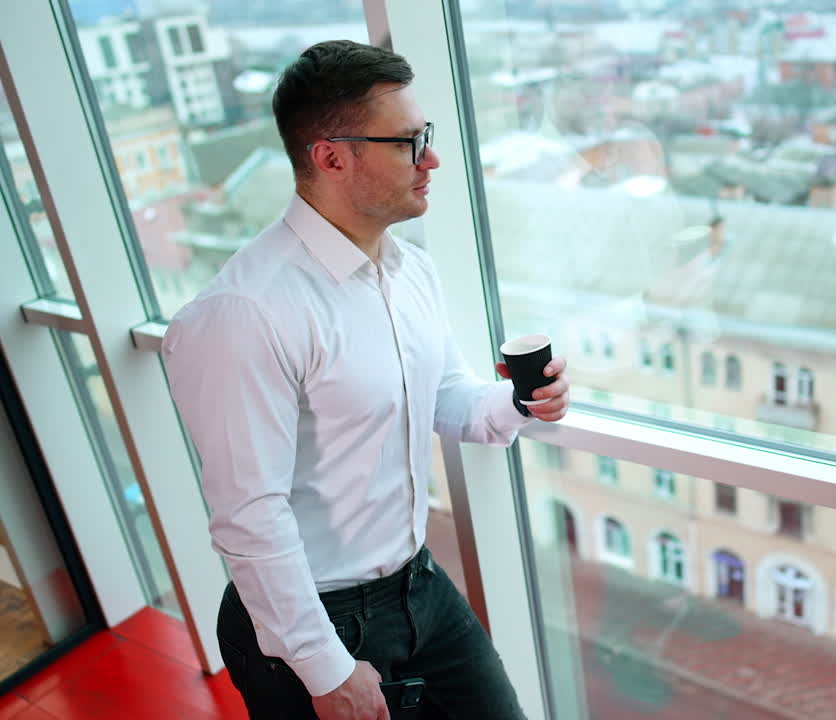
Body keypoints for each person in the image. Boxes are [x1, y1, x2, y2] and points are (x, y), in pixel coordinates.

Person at [162, 40, 569, 720]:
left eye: (427, 137)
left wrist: (524, 401)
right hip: (310, 621)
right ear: (331, 156)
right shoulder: (245, 313)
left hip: (420, 587)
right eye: (409, 142)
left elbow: (443, 397)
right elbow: (248, 516)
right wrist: (322, 668)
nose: (432, 159)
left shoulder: (409, 271)